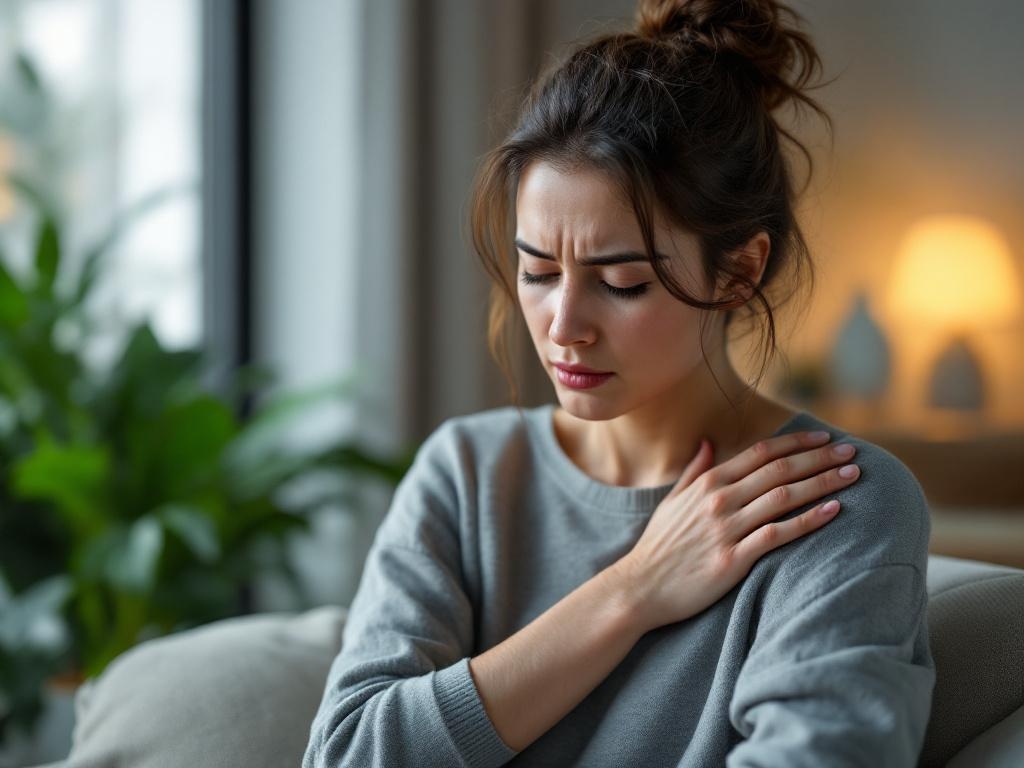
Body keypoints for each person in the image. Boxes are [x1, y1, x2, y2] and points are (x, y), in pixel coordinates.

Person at [303, 0, 935, 765]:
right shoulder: (468, 475)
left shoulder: (837, 505)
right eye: (537, 271)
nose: (563, 323)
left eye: (623, 282)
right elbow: (345, 753)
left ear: (740, 269)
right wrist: (632, 591)